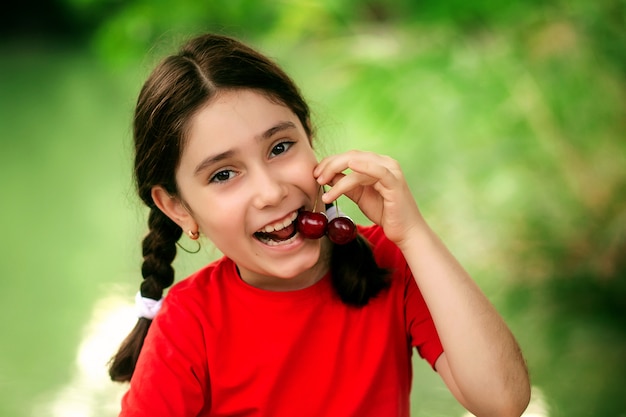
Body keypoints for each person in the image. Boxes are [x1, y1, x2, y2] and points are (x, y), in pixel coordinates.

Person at [109, 33, 531, 417]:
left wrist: (414, 234)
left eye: (280, 147)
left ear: (310, 138)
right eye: (223, 174)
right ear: (178, 208)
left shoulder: (388, 260)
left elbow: (503, 403)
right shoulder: (188, 325)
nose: (271, 191)